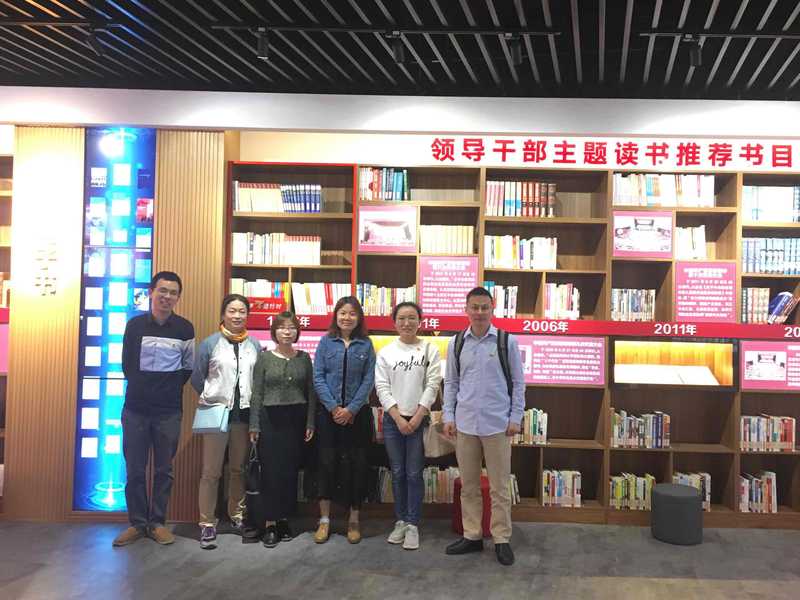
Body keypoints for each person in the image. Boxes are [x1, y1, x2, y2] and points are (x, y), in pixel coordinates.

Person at [443, 286, 524, 566]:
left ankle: (501, 539)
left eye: (484, 307)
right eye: (474, 307)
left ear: (492, 309)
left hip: (498, 425)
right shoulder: (456, 343)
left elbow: (519, 383)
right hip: (465, 424)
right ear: (466, 310)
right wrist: (448, 416)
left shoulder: (506, 342)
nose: (479, 312)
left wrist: (515, 417)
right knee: (469, 486)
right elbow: (451, 383)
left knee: (500, 487)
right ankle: (472, 536)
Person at [113, 271, 195, 547]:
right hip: (135, 409)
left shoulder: (185, 328)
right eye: (162, 291)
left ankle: (157, 523)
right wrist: (145, 386)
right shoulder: (135, 326)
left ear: (178, 297)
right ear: (151, 292)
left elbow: (188, 367)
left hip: (168, 411)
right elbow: (127, 364)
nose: (167, 297)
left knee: (164, 471)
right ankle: (137, 523)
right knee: (135, 469)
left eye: (173, 293)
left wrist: (166, 388)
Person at [190, 294, 261, 550]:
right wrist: (214, 397)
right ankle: (207, 523)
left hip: (244, 416)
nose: (237, 315)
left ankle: (237, 515)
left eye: (242, 311)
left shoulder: (255, 345)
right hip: (216, 414)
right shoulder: (210, 343)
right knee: (211, 472)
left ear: (247, 315)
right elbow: (197, 378)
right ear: (223, 314)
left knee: (238, 469)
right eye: (232, 310)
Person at [375, 301, 442, 550]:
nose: (407, 323)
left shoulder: (429, 349)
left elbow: (433, 385)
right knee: (397, 472)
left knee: (414, 473)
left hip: (418, 420)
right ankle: (400, 520)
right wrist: (397, 417)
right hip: (393, 421)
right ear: (394, 323)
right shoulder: (386, 352)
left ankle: (413, 524)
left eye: (412, 318)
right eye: (401, 318)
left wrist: (416, 416)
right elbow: (381, 387)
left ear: (419, 321)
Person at [249, 311, 316, 548]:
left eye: (291, 327)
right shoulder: (264, 358)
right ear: (274, 331)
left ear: (297, 331)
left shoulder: (304, 359)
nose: (287, 332)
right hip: (270, 419)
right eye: (282, 327)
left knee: (289, 472)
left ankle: (284, 519)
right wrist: (254, 424)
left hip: (296, 419)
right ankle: (270, 523)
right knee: (271, 472)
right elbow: (257, 392)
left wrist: (310, 422)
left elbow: (311, 393)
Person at [312, 296, 376, 544]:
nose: (347, 317)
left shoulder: (366, 344)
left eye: (352, 313)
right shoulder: (325, 342)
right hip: (328, 416)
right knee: (326, 464)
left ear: (359, 318)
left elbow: (369, 379)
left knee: (357, 465)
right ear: (335, 316)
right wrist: (333, 408)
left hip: (357, 416)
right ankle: (324, 520)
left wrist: (351, 409)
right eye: (342, 313)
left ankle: (354, 519)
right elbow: (318, 377)